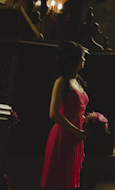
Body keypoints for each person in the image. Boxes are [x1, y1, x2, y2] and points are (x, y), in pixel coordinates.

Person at [41, 41, 89, 190]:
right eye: (82, 56)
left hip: (76, 136)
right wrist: (77, 132)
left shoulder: (77, 81)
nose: (84, 59)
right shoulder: (61, 81)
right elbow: (54, 114)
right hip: (64, 134)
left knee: (70, 179)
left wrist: (90, 122)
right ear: (73, 58)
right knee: (59, 179)